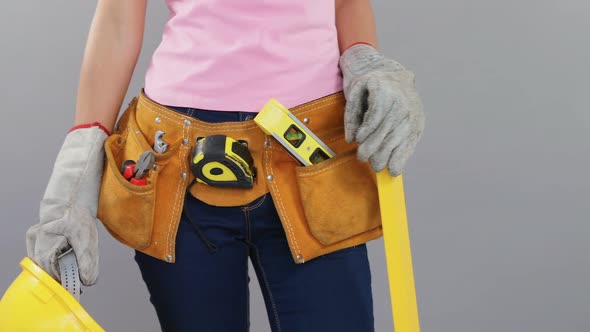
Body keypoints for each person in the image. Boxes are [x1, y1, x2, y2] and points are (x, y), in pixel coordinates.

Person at [25, 0, 424, 331]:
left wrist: (363, 57)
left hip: (310, 160)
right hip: (177, 164)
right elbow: (117, 17)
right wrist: (79, 161)